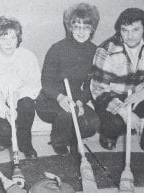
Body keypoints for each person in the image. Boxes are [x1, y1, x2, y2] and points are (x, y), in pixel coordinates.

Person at [90, 8, 144, 160]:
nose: (130, 36)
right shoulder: (105, 49)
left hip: (140, 94)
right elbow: (99, 90)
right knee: (115, 124)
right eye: (125, 30)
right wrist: (126, 113)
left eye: (135, 30)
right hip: (113, 98)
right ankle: (108, 135)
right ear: (119, 30)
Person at [36, 3, 101, 157]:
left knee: (93, 123)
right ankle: (58, 140)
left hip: (75, 99)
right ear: (70, 27)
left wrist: (80, 101)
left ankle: (73, 137)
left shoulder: (94, 51)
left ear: (92, 29)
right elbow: (46, 82)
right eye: (76, 26)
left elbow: (90, 85)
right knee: (66, 114)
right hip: (49, 99)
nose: (81, 31)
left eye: (85, 27)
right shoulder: (57, 49)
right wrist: (60, 97)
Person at [0, 16, 41, 159]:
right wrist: (4, 110)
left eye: (12, 38)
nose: (8, 43)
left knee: (27, 104)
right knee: (5, 133)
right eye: (3, 38)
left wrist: (17, 95)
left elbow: (34, 85)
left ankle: (25, 143)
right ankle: (0, 138)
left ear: (18, 38)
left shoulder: (28, 57)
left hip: (19, 101)